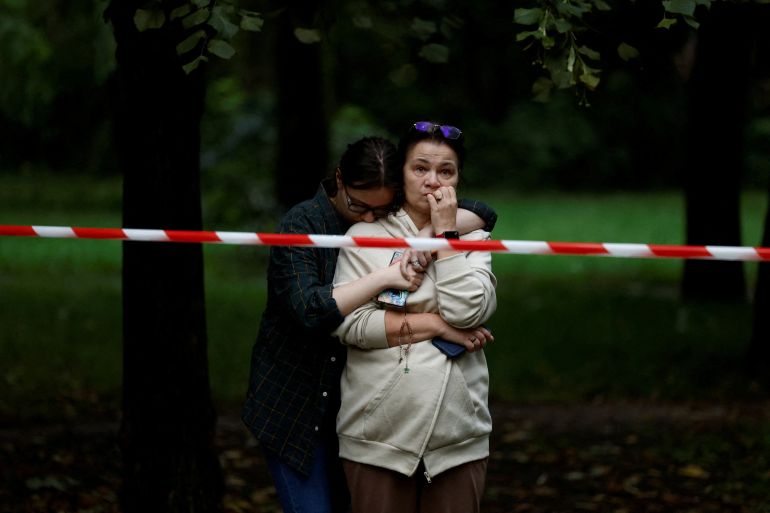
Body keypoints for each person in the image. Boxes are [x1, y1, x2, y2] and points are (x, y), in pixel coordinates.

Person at [241, 135, 497, 513]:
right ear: (339, 180)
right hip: (298, 397)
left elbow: (482, 211)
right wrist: (415, 305)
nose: (368, 217)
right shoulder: (306, 223)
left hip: (358, 400)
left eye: (380, 208)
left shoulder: (440, 223)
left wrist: (434, 234)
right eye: (360, 206)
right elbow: (314, 311)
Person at [332, 122, 497, 513]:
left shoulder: (475, 238)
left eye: (446, 171)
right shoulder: (364, 236)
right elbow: (348, 325)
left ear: (458, 180)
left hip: (458, 436)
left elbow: (468, 312)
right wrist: (437, 326)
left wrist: (445, 237)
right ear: (400, 173)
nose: (432, 181)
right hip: (376, 435)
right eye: (420, 168)